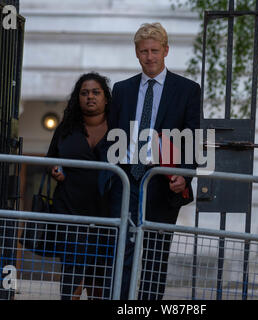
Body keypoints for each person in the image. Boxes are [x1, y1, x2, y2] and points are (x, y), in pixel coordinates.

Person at [100, 23, 200, 300]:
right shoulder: (122, 90)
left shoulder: (188, 90)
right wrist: (107, 178)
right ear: (136, 53)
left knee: (156, 255)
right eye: (144, 51)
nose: (150, 57)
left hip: (162, 182)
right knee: (122, 252)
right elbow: (111, 135)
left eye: (155, 50)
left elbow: (192, 136)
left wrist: (186, 175)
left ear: (166, 50)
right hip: (126, 181)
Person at [47, 72, 112, 300]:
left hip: (106, 215)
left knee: (101, 283)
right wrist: (56, 170)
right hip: (71, 213)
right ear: (78, 97)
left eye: (96, 92)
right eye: (84, 93)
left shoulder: (118, 129)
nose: (90, 97)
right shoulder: (66, 128)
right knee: (71, 280)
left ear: (105, 97)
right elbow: (51, 159)